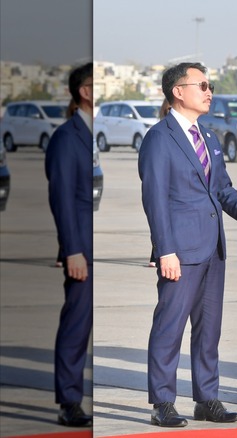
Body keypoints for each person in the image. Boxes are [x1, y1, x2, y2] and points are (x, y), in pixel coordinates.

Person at [138, 62, 237, 428]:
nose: (210, 92)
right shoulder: (160, 139)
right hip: (180, 252)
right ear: (178, 91)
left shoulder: (207, 137)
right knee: (169, 327)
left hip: (213, 249)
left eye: (210, 86)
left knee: (209, 330)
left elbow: (222, 188)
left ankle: (207, 398)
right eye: (203, 85)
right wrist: (165, 250)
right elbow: (155, 198)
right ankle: (163, 402)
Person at [45, 62, 94, 428]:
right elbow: (62, 199)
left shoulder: (95, 135)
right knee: (76, 326)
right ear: (85, 92)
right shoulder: (67, 137)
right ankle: (69, 401)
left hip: (101, 245)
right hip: (82, 249)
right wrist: (72, 250)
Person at [147, 100, 173, 269]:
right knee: (159, 220)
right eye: (168, 109)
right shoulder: (159, 133)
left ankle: (156, 253)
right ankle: (156, 253)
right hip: (163, 188)